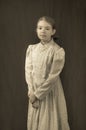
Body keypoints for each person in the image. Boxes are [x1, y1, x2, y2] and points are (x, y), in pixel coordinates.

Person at [25, 16, 70, 130]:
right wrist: (31, 92)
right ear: (36, 30)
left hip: (50, 94)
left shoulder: (57, 51)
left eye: (47, 28)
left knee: (48, 123)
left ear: (53, 31)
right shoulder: (32, 49)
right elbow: (28, 71)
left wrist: (38, 95)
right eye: (40, 28)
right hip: (34, 93)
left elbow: (53, 77)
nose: (43, 31)